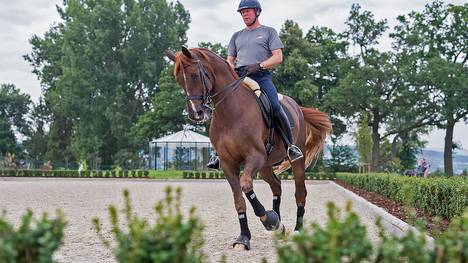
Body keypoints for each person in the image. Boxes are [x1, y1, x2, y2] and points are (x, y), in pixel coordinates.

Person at [207, 0, 303, 169]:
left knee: (274, 105)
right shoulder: (236, 36)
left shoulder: (268, 32)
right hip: (239, 78)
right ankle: (219, 153)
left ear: (257, 12)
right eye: (242, 12)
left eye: (248, 11)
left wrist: (259, 66)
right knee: (222, 108)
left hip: (262, 76)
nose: (244, 14)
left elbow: (278, 57)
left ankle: (290, 146)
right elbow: (229, 61)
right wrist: (228, 74)